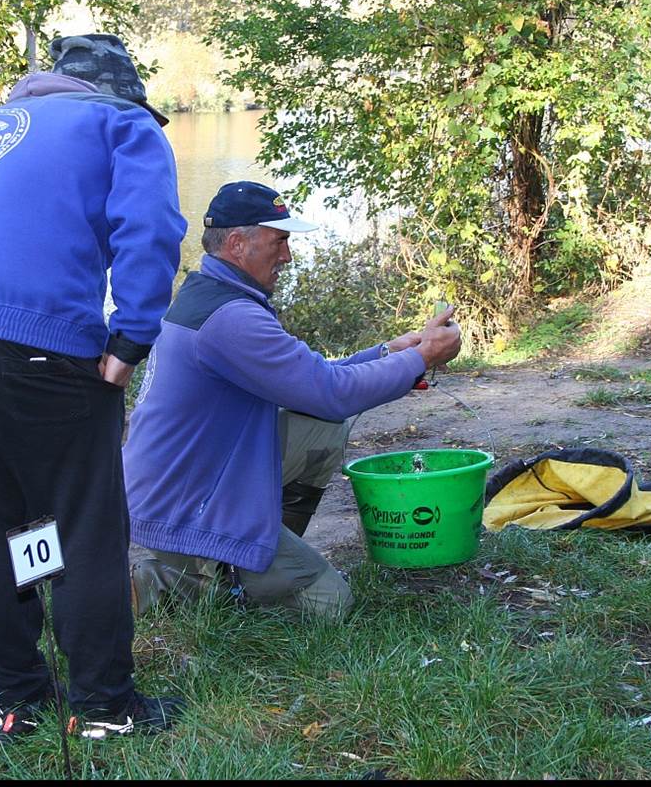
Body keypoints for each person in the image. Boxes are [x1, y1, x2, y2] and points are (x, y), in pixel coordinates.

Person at [0, 34, 187, 741]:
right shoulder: (121, 122)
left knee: (3, 520)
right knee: (82, 522)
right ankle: (105, 707)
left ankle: (17, 700)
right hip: (42, 343)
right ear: (117, 90)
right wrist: (129, 339)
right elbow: (150, 228)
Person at [123, 181, 462, 620]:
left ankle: (253, 555)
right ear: (237, 243)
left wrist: (389, 355)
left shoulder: (215, 294)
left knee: (319, 427)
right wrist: (421, 357)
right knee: (329, 605)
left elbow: (312, 380)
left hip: (193, 482)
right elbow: (333, 394)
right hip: (185, 506)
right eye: (279, 241)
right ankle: (166, 581)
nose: (287, 256)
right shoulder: (232, 318)